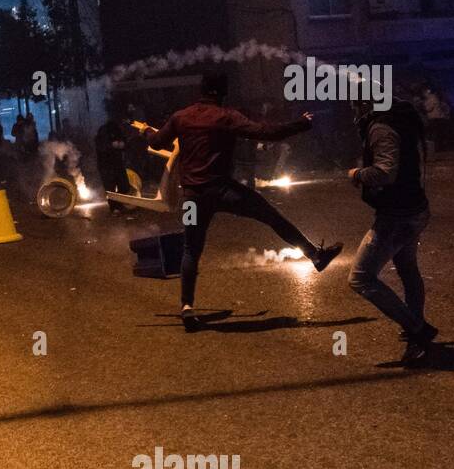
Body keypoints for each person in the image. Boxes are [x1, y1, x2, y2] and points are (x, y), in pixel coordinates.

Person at [137, 72, 342, 330]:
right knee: (272, 217)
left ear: (201, 91)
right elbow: (266, 132)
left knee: (191, 248)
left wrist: (145, 130)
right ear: (222, 93)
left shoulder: (181, 116)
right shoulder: (227, 116)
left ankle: (187, 308)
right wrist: (300, 124)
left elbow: (156, 142)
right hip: (223, 190)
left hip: (193, 197)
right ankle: (314, 255)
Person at [347, 80, 437, 365]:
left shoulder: (381, 126)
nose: (355, 109)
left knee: (360, 277)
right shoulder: (399, 118)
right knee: (408, 269)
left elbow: (386, 172)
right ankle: (416, 334)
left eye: (357, 103)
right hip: (412, 209)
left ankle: (418, 329)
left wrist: (357, 174)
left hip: (398, 216)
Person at [94, 105, 132, 215]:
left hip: (117, 164)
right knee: (110, 189)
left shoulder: (118, 130)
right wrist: (112, 145)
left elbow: (125, 143)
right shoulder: (103, 131)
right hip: (106, 165)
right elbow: (101, 146)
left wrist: (123, 145)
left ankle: (118, 205)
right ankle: (114, 208)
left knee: (124, 186)